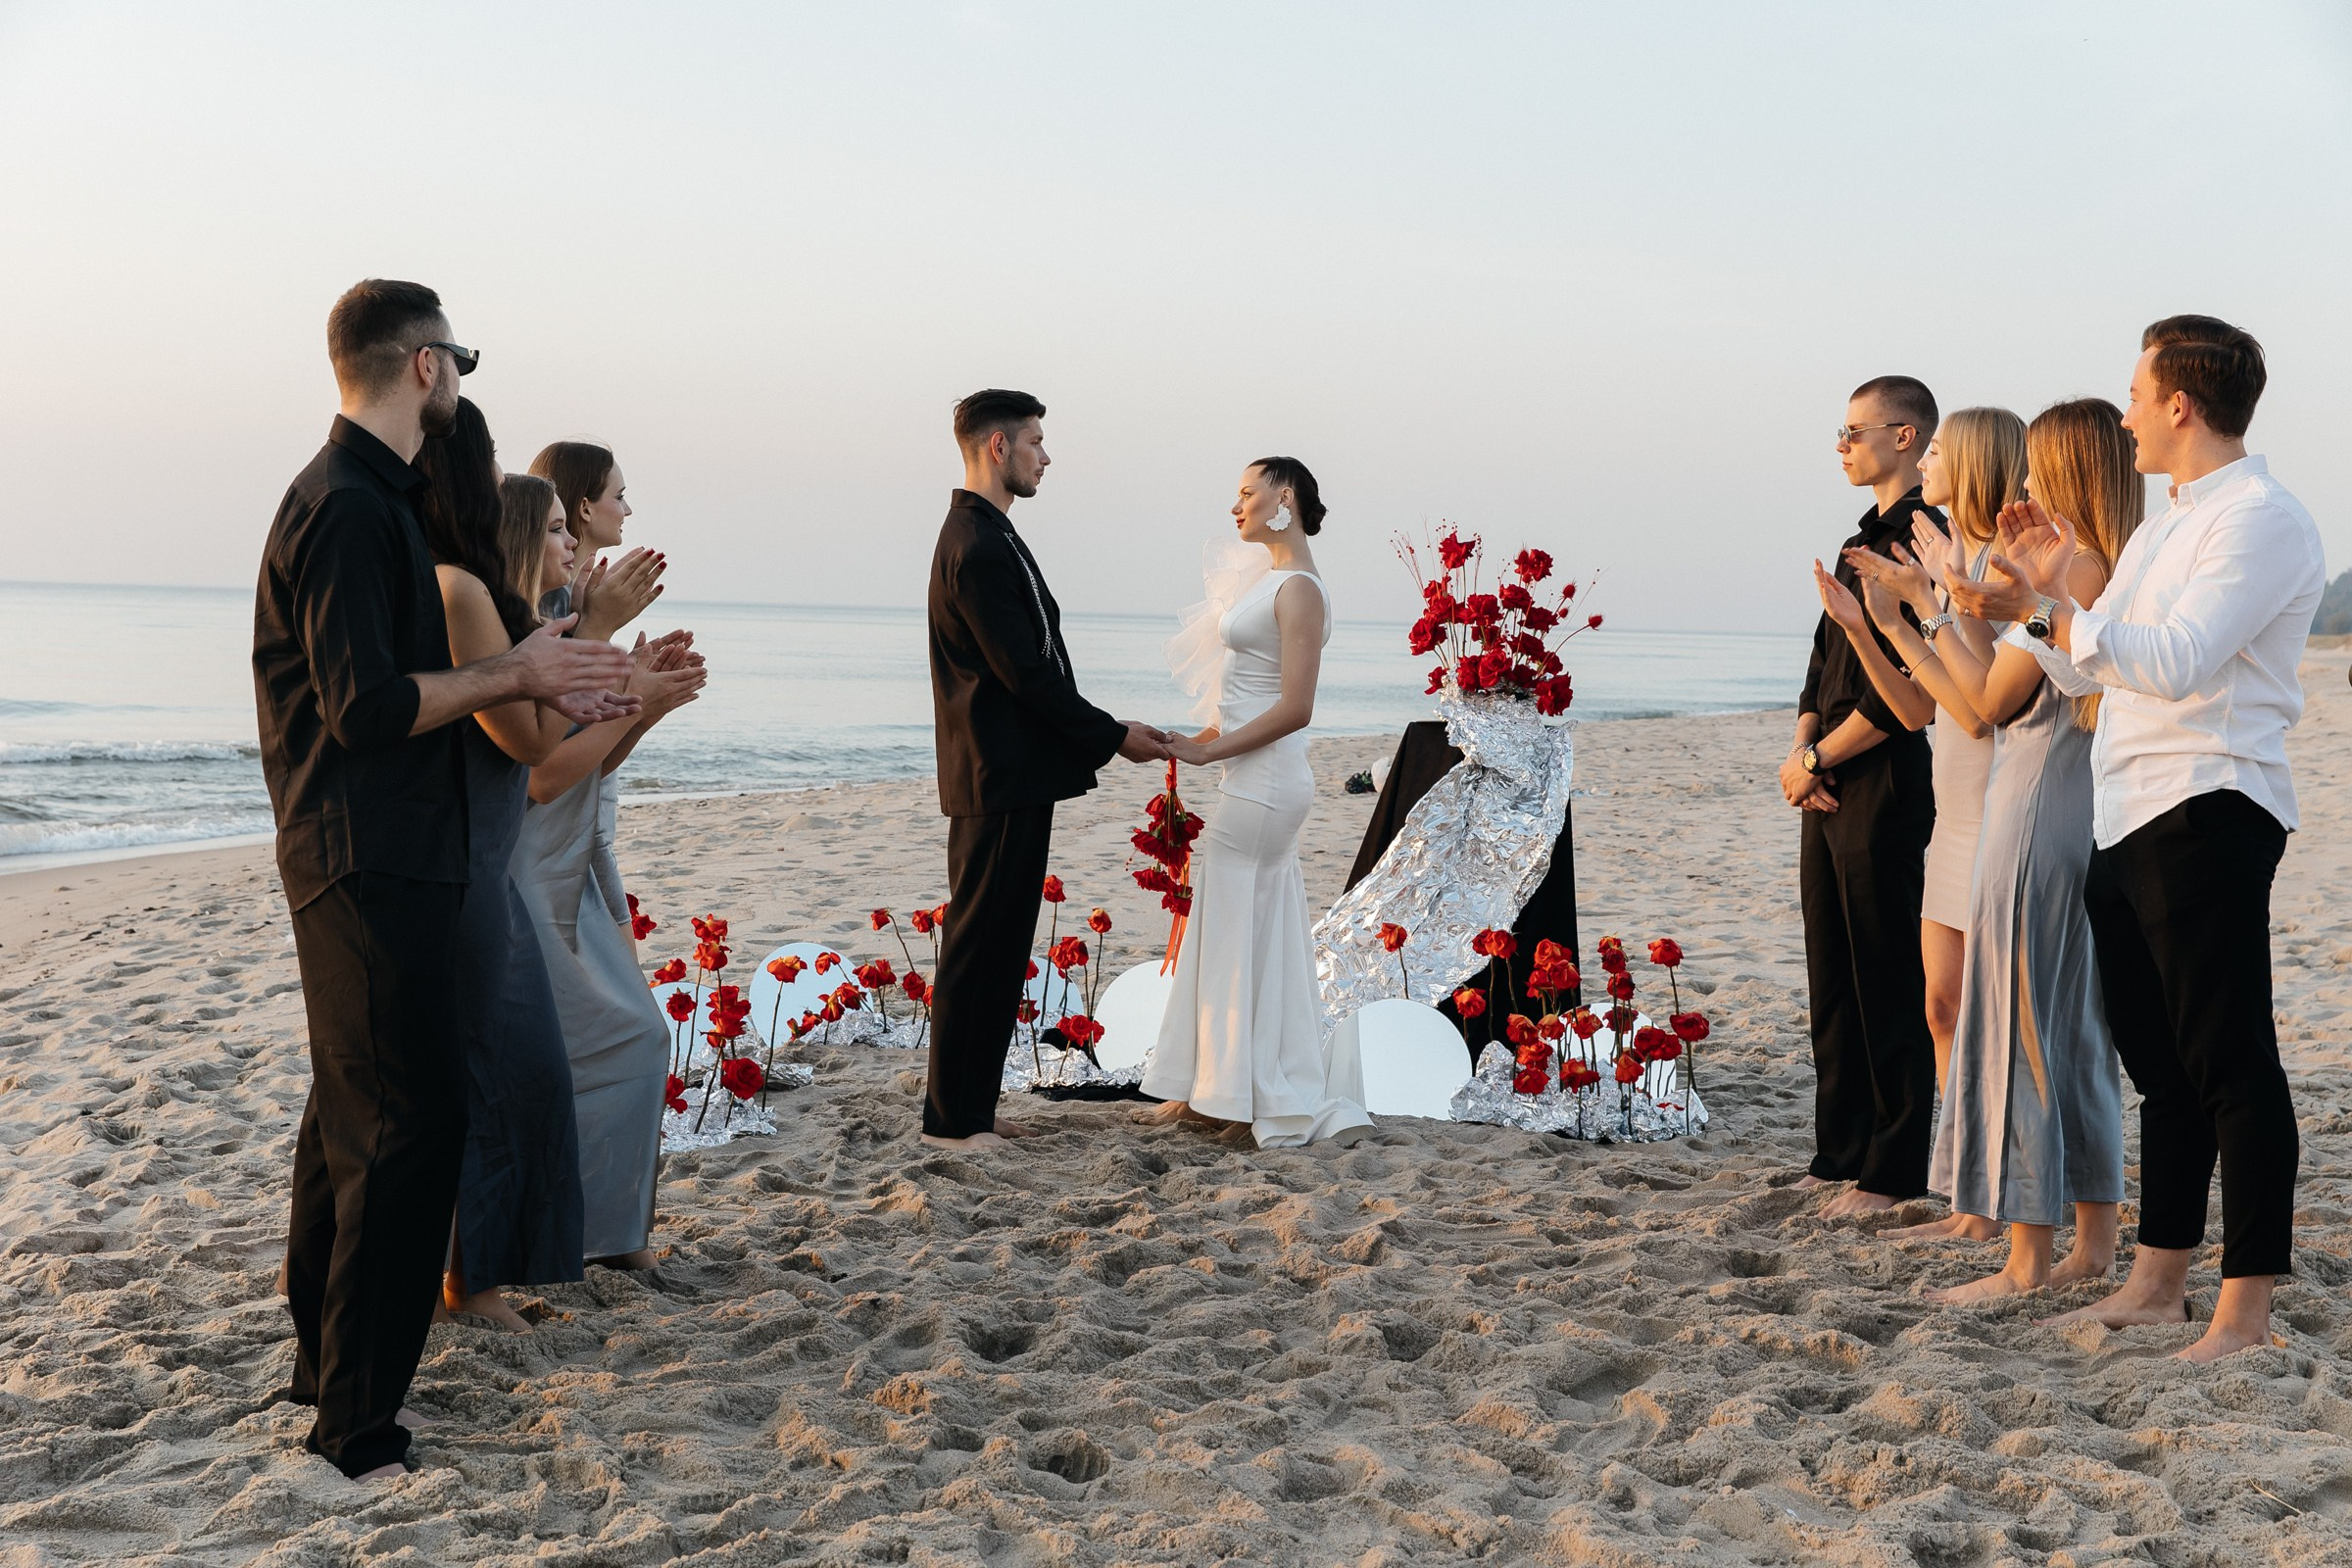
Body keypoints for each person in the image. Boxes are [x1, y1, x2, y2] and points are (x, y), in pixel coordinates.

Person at [253, 279, 633, 1480]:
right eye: (458, 358)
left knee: (348, 1121)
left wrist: (534, 657)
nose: (463, 380)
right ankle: (357, 1431)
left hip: (379, 853)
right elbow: (363, 708)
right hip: (370, 856)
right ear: (424, 366)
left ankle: (327, 1373)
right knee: (404, 1133)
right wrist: (515, 672)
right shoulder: (349, 508)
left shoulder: (375, 505)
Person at [1951, 315, 2324, 1361]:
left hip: (2210, 805)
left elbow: (2175, 660)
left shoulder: (2260, 520)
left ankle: (2244, 1313)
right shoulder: (2164, 528)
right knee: (2162, 1067)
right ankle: (2158, 1283)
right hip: (2128, 814)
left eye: (2135, 390)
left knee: (2230, 1062)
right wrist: (2038, 605)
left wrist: (2068, 611)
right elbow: (2091, 671)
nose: (2124, 412)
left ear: (2180, 405)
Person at [1847, 399, 2140, 1299]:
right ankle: (2090, 1242)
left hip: (2035, 796)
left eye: (2038, 466)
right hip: (2080, 797)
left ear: (2065, 470)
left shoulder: (2067, 568)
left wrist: (1934, 608)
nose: (2024, 484)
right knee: (2073, 1033)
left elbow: (1992, 698)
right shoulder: (2110, 564)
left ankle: (2026, 1261)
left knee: (2021, 1030)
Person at [922, 389, 1169, 1151]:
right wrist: (1112, 736)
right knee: (979, 947)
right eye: (1035, 441)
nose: (1045, 456)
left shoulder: (987, 532)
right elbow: (1025, 674)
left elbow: (1030, 670)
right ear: (999, 447)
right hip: (996, 776)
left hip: (1009, 773)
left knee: (995, 947)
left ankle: (971, 1113)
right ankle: (954, 1124)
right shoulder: (977, 542)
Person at [1141, 459, 1375, 1148]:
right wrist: (1194, 741)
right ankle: (1215, 1086)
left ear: (1286, 497)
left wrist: (1213, 752)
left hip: (1268, 781)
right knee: (1238, 924)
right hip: (1245, 772)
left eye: (1246, 492)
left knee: (1234, 924)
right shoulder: (1270, 581)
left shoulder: (1299, 589)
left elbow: (1296, 707)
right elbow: (1244, 693)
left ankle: (1227, 1091)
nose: (1234, 505)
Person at [511, 447, 706, 1272]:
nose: (628, 511)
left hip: (576, 854)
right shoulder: (543, 614)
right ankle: (595, 1241)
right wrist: (632, 687)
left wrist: (648, 702)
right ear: (581, 510)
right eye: (617, 497)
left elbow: (600, 756)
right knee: (618, 1041)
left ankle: (607, 1237)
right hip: (532, 860)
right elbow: (541, 772)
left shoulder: (577, 610)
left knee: (626, 1041)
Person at [416, 407, 589, 1329]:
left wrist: (592, 675)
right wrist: (597, 672)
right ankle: (464, 1286)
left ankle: (470, 1279)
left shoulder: (486, 598)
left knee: (518, 1072)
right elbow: (530, 751)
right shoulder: (459, 592)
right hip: (459, 866)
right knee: (489, 1075)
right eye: (482, 458)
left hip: (482, 864)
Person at [1814, 409, 2022, 1151]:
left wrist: (1920, 610)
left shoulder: (1994, 565)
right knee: (1942, 1005)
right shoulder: (1941, 555)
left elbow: (1974, 715)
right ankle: (1967, 1178)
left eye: (1938, 451)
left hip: (1996, 808)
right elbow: (1914, 707)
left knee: (1989, 1018)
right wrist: (1865, 626)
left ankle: (1999, 1183)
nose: (1928, 464)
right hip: (1954, 816)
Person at [1786, 376, 1941, 1218]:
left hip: (1882, 777)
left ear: (1906, 436)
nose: (1841, 445)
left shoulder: (1922, 537)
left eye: (1854, 431)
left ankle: (1891, 1168)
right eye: (1838, 433)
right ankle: (1838, 1150)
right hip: (1828, 776)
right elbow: (1822, 663)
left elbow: (1907, 687)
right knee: (1833, 972)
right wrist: (1802, 749)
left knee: (1885, 974)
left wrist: (1817, 755)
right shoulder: (1855, 538)